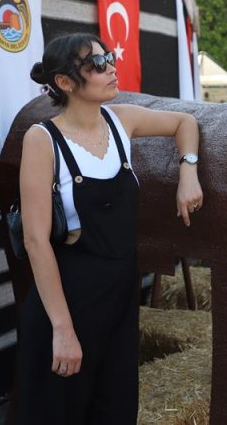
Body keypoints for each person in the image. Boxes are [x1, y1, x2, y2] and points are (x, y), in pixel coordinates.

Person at [16, 33, 203, 424]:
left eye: (110, 58)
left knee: (115, 413)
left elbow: (186, 122)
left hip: (119, 302)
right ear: (66, 83)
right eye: (96, 65)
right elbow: (36, 241)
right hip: (68, 301)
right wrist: (62, 330)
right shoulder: (43, 139)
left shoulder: (123, 122)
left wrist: (189, 171)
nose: (111, 68)